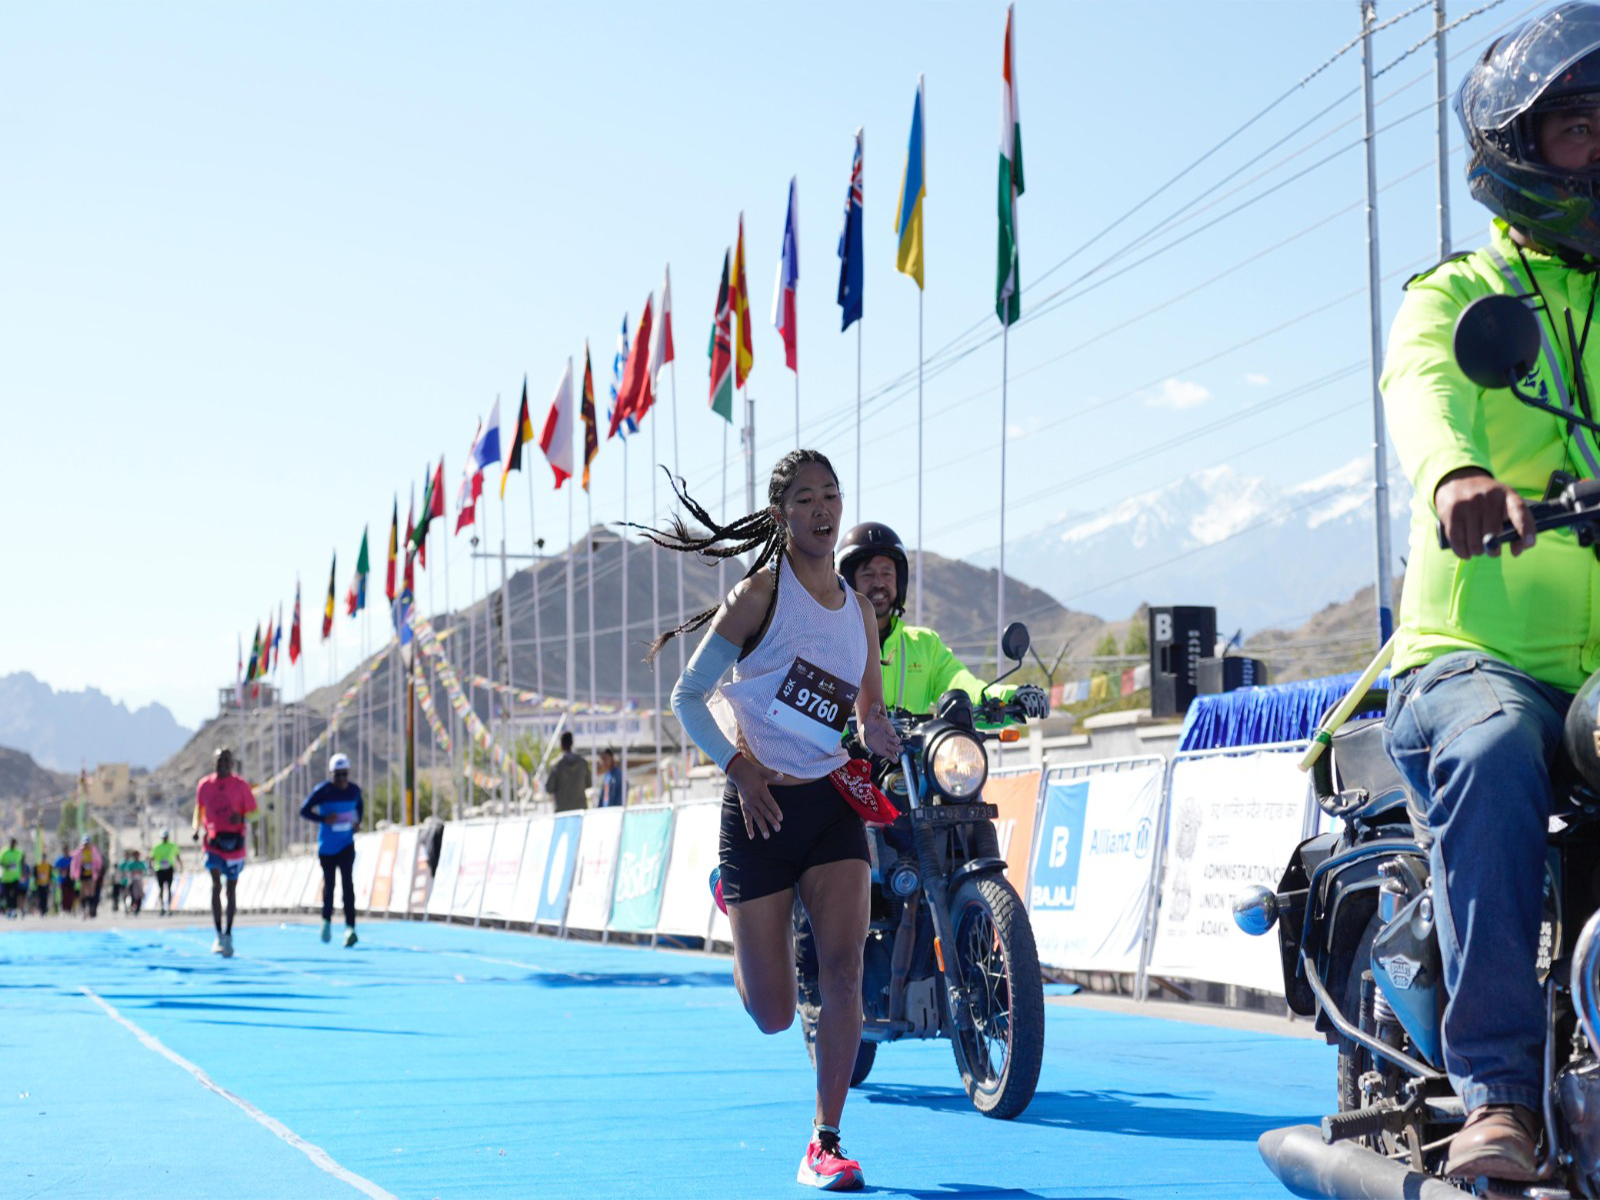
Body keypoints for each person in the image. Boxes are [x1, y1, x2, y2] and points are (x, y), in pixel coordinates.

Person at [1381, 5, 1600, 1180]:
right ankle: (1500, 1095)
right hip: (1471, 658)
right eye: (1578, 129)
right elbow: (1424, 393)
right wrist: (1459, 475)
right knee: (1498, 746)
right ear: (1517, 148)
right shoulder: (1458, 296)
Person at [652, 449, 901, 1192]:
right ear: (779, 515)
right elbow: (687, 699)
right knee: (772, 1013)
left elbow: (870, 712)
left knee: (845, 972)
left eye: (831, 496)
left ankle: (826, 1139)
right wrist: (739, 767)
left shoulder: (858, 610)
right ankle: (735, 897)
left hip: (829, 807)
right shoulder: (760, 596)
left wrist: (881, 736)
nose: (822, 509)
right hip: (757, 810)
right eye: (804, 499)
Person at [834, 521, 1051, 719]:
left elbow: (964, 686)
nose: (879, 583)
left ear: (899, 581)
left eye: (887, 573)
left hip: (913, 760)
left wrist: (1012, 697)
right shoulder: (830, 643)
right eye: (868, 574)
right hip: (845, 761)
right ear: (849, 582)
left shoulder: (924, 645)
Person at [194, 746, 259, 957]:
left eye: (226, 761)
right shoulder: (204, 785)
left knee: (230, 890)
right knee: (215, 884)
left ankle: (228, 934)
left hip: (235, 845)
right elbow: (199, 810)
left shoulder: (241, 786)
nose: (223, 765)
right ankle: (218, 935)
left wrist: (240, 819)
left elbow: (256, 814)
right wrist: (196, 829)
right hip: (213, 843)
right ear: (213, 763)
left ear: (232, 764)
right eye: (219, 761)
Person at [300, 752, 364, 947]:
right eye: (338, 775)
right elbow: (304, 810)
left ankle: (350, 928)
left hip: (346, 844)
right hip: (327, 847)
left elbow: (360, 807)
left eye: (345, 774)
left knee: (348, 885)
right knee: (330, 885)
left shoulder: (354, 790)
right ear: (331, 774)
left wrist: (357, 822)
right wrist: (323, 819)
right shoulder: (323, 791)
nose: (342, 779)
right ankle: (326, 921)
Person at [544, 730, 591, 813]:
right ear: (572, 743)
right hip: (580, 810)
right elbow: (589, 784)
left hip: (562, 811)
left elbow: (549, 788)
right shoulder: (582, 763)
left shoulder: (556, 764)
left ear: (561, 745)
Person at [149, 829, 182, 916]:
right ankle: (162, 907)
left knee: (169, 888)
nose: (165, 839)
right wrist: (150, 867)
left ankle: (169, 907)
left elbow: (177, 856)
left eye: (166, 837)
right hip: (159, 869)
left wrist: (180, 866)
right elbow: (151, 858)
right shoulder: (156, 846)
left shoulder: (172, 846)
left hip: (169, 869)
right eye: (163, 837)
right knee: (161, 889)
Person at [72, 836, 104, 918]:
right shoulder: (78, 852)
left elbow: (98, 862)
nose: (86, 845)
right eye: (85, 844)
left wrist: (97, 870)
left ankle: (91, 908)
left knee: (91, 891)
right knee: (82, 892)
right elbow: (74, 863)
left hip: (91, 874)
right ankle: (83, 908)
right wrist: (73, 873)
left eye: (87, 843)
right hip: (82, 874)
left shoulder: (93, 851)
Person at [0, 838, 23, 918]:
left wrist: (22, 873)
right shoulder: (4, 851)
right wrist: (6, 866)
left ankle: (14, 910)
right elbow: (1, 862)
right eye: (11, 843)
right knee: (7, 895)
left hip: (15, 877)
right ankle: (9, 910)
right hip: (6, 878)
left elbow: (21, 862)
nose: (13, 845)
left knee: (15, 894)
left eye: (14, 844)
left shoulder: (19, 852)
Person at [123, 849, 148, 916]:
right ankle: (131, 907)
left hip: (139, 881)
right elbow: (127, 872)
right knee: (133, 895)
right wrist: (132, 874)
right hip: (132, 881)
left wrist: (140, 873)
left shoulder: (141, 863)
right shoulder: (131, 864)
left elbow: (145, 871)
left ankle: (138, 909)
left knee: (140, 895)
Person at [54, 845, 75, 915]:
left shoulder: (72, 859)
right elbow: (54, 868)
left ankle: (70, 909)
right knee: (64, 895)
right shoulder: (60, 859)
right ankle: (64, 909)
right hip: (63, 880)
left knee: (71, 895)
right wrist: (61, 871)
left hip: (71, 879)